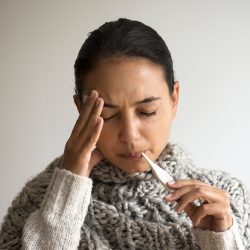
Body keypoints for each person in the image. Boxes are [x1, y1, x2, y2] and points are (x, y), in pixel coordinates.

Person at [0, 17, 249, 250]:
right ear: (81, 109)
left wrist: (222, 242)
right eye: (108, 115)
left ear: (174, 99)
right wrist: (65, 196)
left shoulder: (226, 203)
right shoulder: (40, 200)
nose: (129, 135)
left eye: (147, 111)